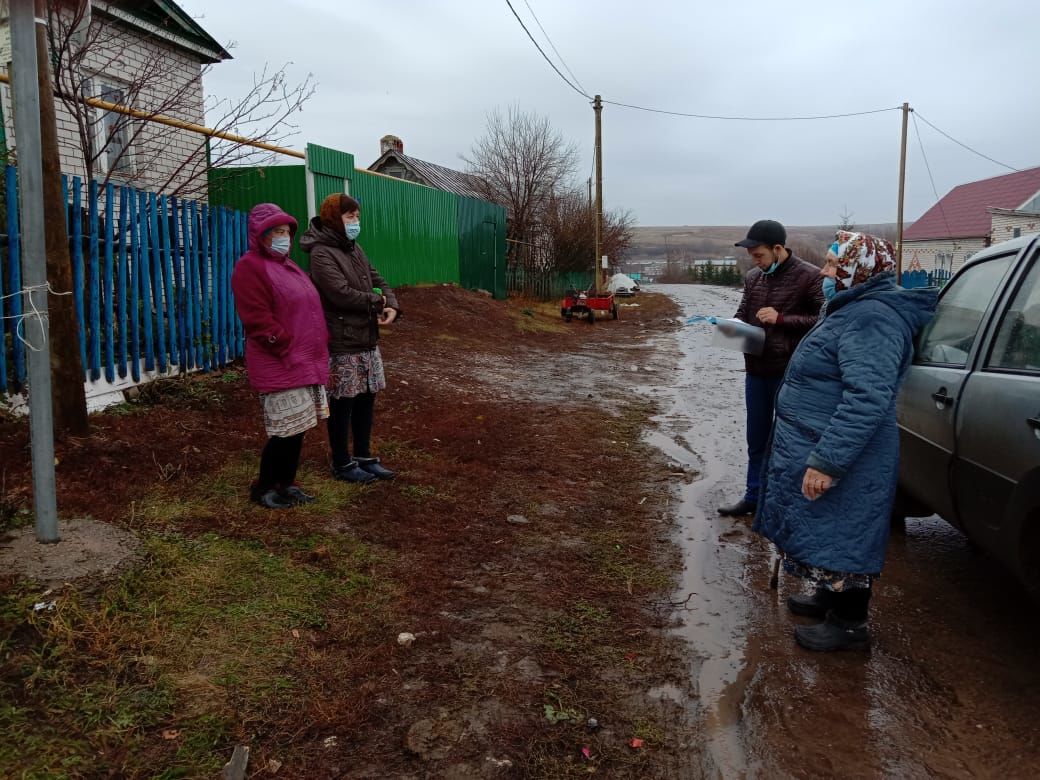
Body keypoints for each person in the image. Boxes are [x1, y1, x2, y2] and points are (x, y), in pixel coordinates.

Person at [753, 231, 937, 651]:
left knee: (846, 529)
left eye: (836, 265)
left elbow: (867, 398)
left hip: (848, 452)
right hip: (822, 440)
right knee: (826, 527)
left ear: (862, 270)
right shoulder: (852, 307)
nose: (826, 271)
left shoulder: (874, 318)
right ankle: (827, 597)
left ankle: (851, 624)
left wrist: (828, 460)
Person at [718, 219, 825, 517]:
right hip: (756, 370)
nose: (755, 261)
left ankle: (788, 502)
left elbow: (825, 321)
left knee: (791, 440)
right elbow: (743, 314)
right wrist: (728, 327)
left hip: (791, 373)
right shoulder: (754, 278)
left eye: (759, 255)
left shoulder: (810, 277)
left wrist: (782, 319)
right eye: (752, 256)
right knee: (757, 437)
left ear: (778, 249)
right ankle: (754, 495)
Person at [231, 203, 330, 509]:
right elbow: (256, 317)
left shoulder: (289, 266)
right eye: (276, 231)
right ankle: (264, 487)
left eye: (286, 231)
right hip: (280, 359)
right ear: (260, 235)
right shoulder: (250, 267)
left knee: (299, 426)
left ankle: (287, 483)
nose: (283, 236)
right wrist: (283, 344)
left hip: (304, 358)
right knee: (284, 430)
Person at [301, 194, 401, 483]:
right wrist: (378, 303)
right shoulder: (322, 253)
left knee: (367, 398)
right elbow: (339, 293)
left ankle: (364, 456)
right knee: (343, 402)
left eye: (357, 216)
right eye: (349, 217)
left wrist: (392, 303)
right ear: (334, 218)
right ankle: (342, 462)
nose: (355, 222)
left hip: (366, 338)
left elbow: (377, 278)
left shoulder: (354, 248)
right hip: (342, 339)